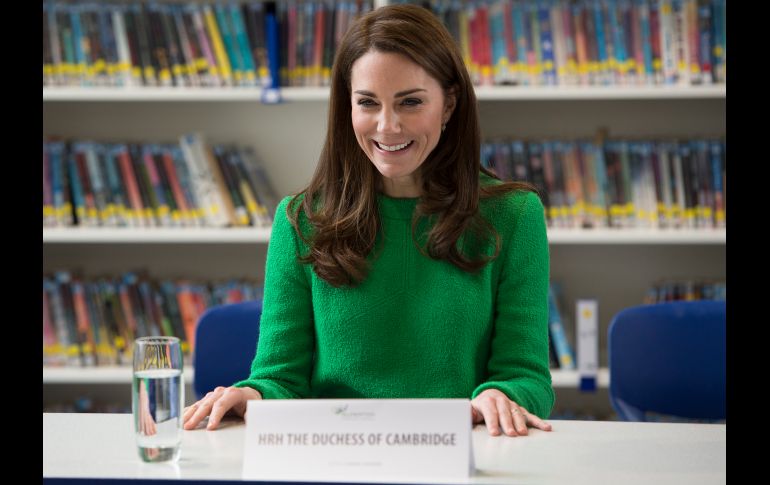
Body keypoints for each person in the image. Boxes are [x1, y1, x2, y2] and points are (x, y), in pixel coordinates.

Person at [183, 4, 554, 438]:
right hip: (335, 458)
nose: (387, 126)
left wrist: (502, 393)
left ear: (449, 104)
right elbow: (280, 378)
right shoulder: (300, 221)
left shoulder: (514, 217)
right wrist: (250, 396)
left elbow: (527, 377)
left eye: (410, 102)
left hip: (458, 456)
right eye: (367, 103)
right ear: (348, 107)